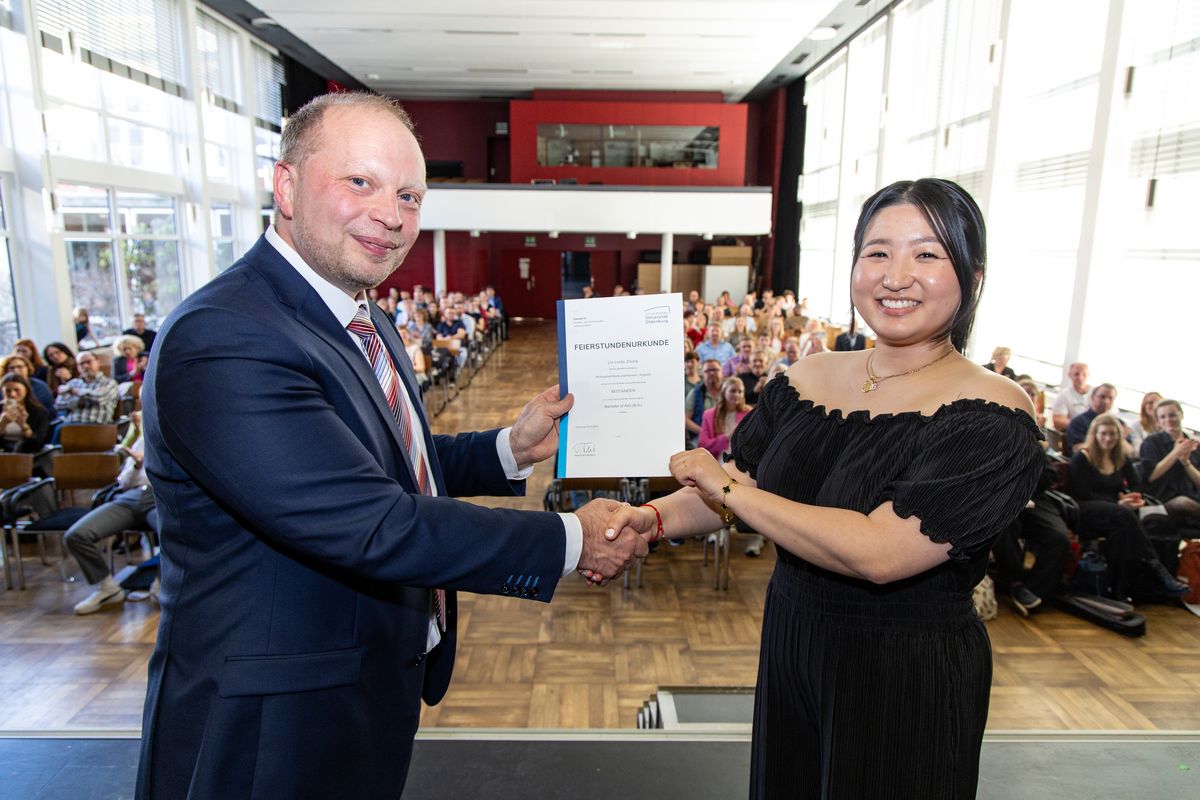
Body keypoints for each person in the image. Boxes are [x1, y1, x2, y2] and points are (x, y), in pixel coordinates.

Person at [134, 92, 645, 800]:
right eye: (360, 182)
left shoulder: (357, 315)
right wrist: (571, 539)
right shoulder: (225, 337)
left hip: (361, 694)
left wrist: (507, 448)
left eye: (409, 195)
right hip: (267, 732)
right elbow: (369, 521)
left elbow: (379, 464)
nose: (392, 215)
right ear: (285, 186)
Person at [601, 178, 1044, 798]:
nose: (895, 276)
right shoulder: (808, 377)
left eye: (926, 254)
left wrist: (726, 490)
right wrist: (651, 519)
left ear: (973, 275)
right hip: (793, 642)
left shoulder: (992, 411)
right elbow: (743, 479)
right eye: (877, 252)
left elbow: (880, 553)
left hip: (904, 671)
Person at [1067, 413, 1188, 597]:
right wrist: (1118, 502)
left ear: (1119, 436)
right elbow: (1081, 493)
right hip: (1085, 509)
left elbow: (1137, 485)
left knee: (1125, 531)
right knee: (1123, 516)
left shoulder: (1120, 458)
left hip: (1116, 512)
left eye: (1113, 434)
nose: (1108, 438)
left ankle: (1120, 589)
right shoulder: (1082, 457)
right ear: (1095, 435)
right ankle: (1157, 570)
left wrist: (1133, 497)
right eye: (1104, 434)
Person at [65, 413, 157, 614]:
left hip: (161, 498)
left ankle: (162, 581)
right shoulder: (143, 440)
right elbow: (123, 482)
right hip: (131, 497)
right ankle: (108, 588)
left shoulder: (179, 439)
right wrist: (137, 465)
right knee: (77, 535)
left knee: (175, 535)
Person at [1140, 399, 1200, 523]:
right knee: (1183, 502)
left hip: (1193, 496)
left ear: (1181, 415)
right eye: (1163, 417)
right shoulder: (1151, 442)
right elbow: (1151, 476)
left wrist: (1186, 463)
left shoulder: (1194, 445)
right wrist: (1175, 452)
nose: (1168, 420)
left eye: (1172, 415)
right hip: (1163, 499)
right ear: (1158, 421)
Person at [54, 351, 118, 425]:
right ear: (78, 367)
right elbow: (59, 405)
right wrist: (86, 397)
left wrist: (73, 392)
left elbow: (100, 398)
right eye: (81, 364)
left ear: (98, 362)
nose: (85, 366)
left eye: (88, 362)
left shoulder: (109, 382)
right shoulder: (73, 383)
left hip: (96, 426)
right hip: (70, 425)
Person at [0, 372, 50, 453]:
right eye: (8, 391)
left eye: (16, 390)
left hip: (27, 453)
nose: (12, 394)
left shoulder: (40, 412)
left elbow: (39, 443)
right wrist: (2, 424)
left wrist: (24, 426)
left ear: (26, 390)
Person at [1064, 383, 1118, 454]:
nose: (1106, 401)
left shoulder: (1118, 424)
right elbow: (1076, 448)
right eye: (1102, 397)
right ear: (1092, 397)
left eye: (1110, 398)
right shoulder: (1078, 422)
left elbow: (1130, 451)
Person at [685, 359, 723, 450]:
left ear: (722, 372)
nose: (712, 373)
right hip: (701, 436)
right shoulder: (695, 393)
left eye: (715, 370)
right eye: (708, 371)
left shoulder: (730, 391)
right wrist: (702, 431)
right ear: (702, 374)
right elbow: (685, 419)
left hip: (725, 435)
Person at [1051, 361, 1090, 431]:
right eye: (1076, 374)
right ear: (1069, 375)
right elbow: (1058, 421)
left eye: (1084, 374)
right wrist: (1084, 426)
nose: (1080, 378)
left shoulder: (1097, 393)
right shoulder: (1064, 395)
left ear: (1088, 375)